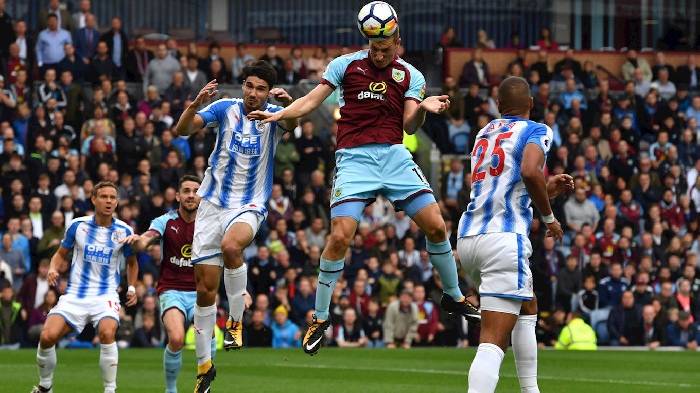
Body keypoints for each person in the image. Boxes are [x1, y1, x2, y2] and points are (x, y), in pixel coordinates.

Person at [247, 8, 480, 357]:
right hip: (354, 160)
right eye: (374, 46)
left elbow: (409, 127)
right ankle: (321, 317)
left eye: (385, 46)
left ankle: (453, 295)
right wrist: (279, 114)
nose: (379, 52)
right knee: (340, 236)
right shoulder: (345, 66)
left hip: (394, 157)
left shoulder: (410, 76)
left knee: (436, 226)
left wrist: (423, 109)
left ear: (397, 41)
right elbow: (311, 101)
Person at [173, 61, 296, 392]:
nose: (253, 94)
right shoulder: (224, 108)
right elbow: (182, 130)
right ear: (243, 85)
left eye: (260, 89)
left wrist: (286, 106)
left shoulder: (274, 115)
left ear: (268, 92)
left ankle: (236, 321)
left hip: (249, 203)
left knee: (232, 246)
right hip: (211, 204)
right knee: (204, 291)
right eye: (249, 86)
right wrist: (194, 105)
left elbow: (295, 122)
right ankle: (203, 368)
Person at [457, 76, 574, 393]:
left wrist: (546, 192)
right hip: (503, 238)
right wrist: (550, 217)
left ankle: (530, 390)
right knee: (493, 340)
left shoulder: (485, 132)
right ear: (532, 104)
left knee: (528, 303)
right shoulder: (537, 130)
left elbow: (505, 186)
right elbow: (529, 171)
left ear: (498, 105)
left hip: (469, 237)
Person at [31, 182, 138, 393]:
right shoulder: (77, 225)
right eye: (104, 196)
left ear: (117, 201)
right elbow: (61, 254)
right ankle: (45, 387)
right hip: (75, 296)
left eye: (112, 197)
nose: (109, 201)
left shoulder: (124, 230)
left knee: (107, 333)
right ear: (93, 199)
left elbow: (133, 263)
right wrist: (53, 268)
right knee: (46, 337)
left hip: (106, 295)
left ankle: (110, 390)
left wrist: (132, 287)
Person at [120, 175, 214, 393]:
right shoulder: (166, 221)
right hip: (172, 290)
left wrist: (242, 291)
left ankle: (206, 386)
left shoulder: (210, 223)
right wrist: (139, 241)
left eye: (195, 191)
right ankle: (170, 389)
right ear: (178, 196)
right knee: (177, 338)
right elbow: (149, 237)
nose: (191, 195)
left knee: (207, 340)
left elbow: (229, 254)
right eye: (187, 191)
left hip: (202, 291)